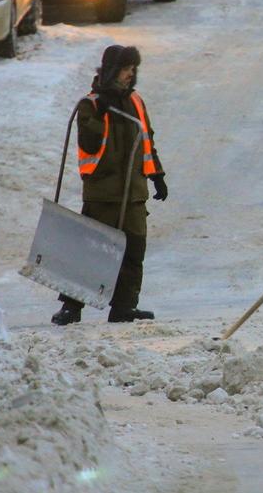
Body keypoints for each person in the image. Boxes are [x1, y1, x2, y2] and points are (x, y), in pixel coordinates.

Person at [51, 45, 169, 325]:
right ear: (112, 70)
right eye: (126, 69)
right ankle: (71, 306)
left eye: (133, 69)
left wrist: (157, 175)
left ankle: (124, 306)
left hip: (134, 193)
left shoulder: (136, 101)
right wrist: (101, 113)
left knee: (133, 251)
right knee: (90, 252)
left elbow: (146, 142)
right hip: (103, 194)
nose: (131, 75)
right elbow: (89, 145)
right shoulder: (90, 104)